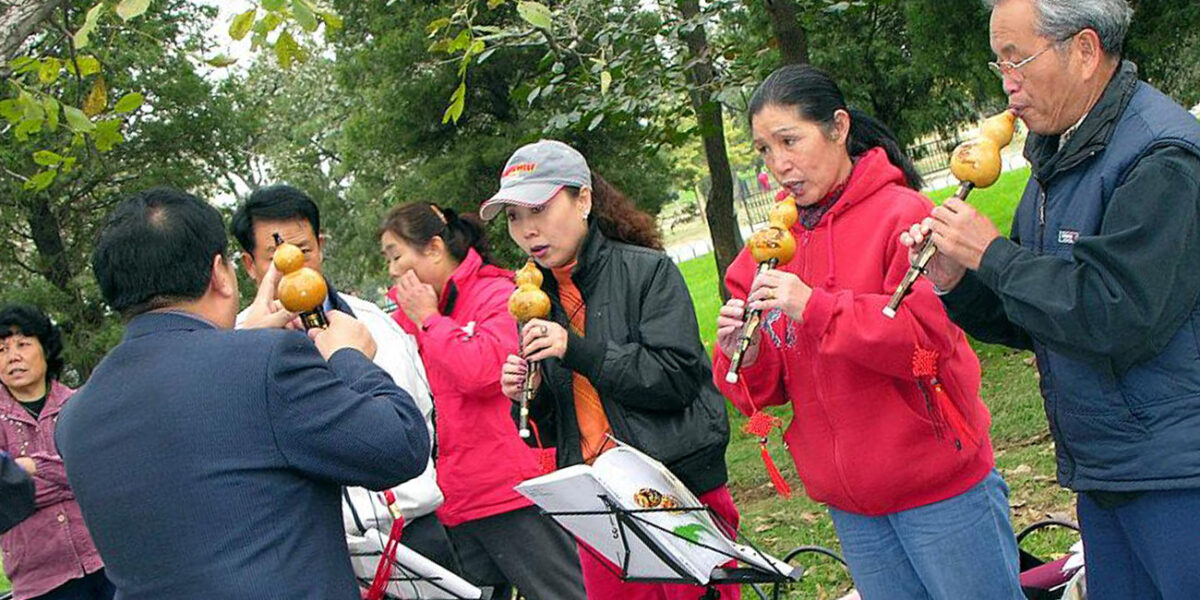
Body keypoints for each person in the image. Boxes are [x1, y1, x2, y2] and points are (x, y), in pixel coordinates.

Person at [901, 0, 1200, 597]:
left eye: (1018, 60)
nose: (1007, 84)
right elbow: (1040, 316)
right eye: (999, 64)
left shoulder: (1160, 157)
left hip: (1177, 475)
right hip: (1107, 469)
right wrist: (958, 278)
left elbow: (1115, 315)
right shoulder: (1060, 156)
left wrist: (993, 254)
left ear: (1085, 51)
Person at [712, 65, 1023, 600]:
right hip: (853, 507)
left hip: (940, 492)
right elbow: (759, 391)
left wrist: (815, 307)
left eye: (790, 140)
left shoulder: (902, 216)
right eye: (764, 150)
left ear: (837, 127)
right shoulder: (767, 249)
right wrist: (747, 349)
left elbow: (924, 351)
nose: (778, 166)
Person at [55, 187, 431, 600]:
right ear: (220, 272)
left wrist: (246, 347)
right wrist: (349, 357)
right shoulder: (266, 362)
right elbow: (399, 445)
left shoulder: (74, 416)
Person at [488, 140, 738, 600]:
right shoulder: (532, 300)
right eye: (514, 218)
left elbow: (677, 380)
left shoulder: (649, 272)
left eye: (538, 209)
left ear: (582, 198)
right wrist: (532, 392)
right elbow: (551, 424)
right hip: (595, 506)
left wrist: (577, 350)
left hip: (673, 491)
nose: (527, 231)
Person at [231, 184, 458, 573]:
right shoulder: (236, 348)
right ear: (250, 265)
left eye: (304, 251)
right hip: (319, 552)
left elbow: (422, 414)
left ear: (320, 245)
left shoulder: (371, 321)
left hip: (414, 533)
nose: (294, 267)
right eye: (276, 257)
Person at [380, 202, 586, 600]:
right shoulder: (407, 318)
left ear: (434, 248)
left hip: (508, 490)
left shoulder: (498, 293)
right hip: (453, 500)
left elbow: (481, 371)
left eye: (397, 255)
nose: (392, 270)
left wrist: (430, 321)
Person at [0, 304, 113, 600]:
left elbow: (102, 474)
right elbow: (5, 500)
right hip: (39, 581)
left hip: (107, 560)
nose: (13, 357)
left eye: (23, 344)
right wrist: (70, 480)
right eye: (1, 350)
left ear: (45, 349)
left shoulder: (79, 404)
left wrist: (31, 468)